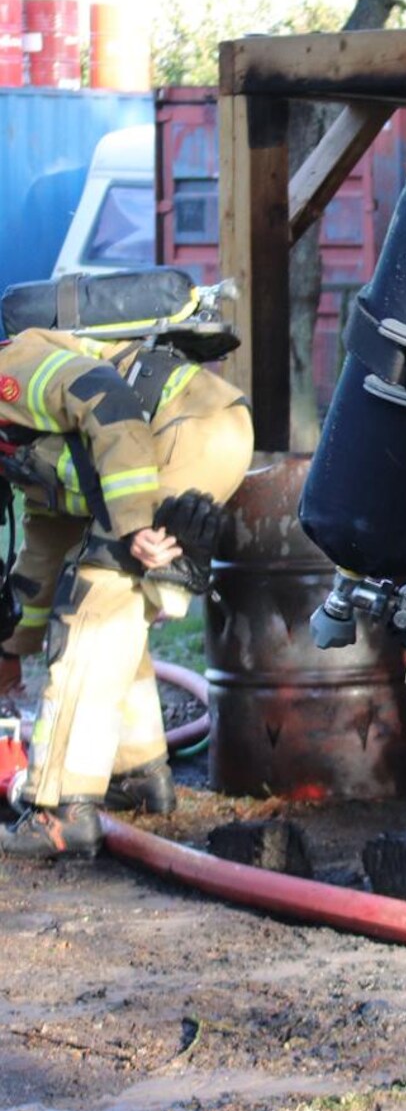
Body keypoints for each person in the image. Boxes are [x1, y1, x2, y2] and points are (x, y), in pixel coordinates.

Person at [0, 327, 251, 857]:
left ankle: (61, 810)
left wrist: (137, 521)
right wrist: (11, 650)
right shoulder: (24, 443)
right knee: (118, 605)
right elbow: (46, 540)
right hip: (192, 431)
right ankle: (136, 770)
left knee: (91, 614)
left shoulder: (11, 370)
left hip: (185, 432)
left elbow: (106, 396)